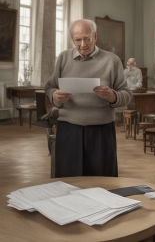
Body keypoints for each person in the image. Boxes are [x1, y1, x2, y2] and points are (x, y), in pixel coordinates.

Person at [44, 19, 132, 178]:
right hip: (68, 129)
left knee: (102, 181)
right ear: (72, 39)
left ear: (95, 37)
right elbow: (50, 87)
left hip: (101, 131)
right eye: (78, 40)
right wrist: (55, 96)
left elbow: (126, 94)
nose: (83, 44)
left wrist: (113, 97)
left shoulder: (112, 60)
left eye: (87, 38)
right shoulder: (63, 58)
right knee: (68, 180)